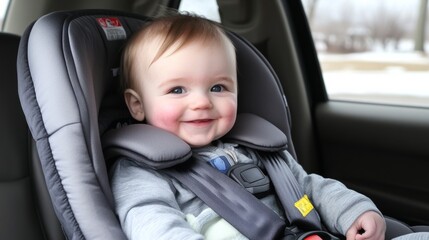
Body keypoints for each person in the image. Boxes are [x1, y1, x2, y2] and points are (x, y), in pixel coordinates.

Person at [109, 13, 386, 240]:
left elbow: (309, 187)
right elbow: (151, 223)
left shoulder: (255, 150)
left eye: (218, 87)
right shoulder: (141, 172)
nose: (202, 102)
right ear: (137, 105)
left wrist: (354, 212)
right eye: (178, 90)